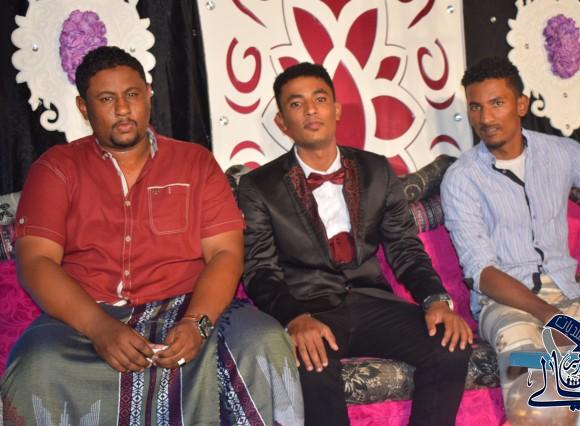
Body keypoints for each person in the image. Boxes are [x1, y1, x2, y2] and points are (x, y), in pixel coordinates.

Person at [0, 46, 303, 425]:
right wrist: (100, 328)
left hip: (187, 308)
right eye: (106, 99)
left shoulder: (195, 163)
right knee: (34, 366)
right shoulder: (56, 169)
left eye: (132, 94)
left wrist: (197, 324)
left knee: (263, 340)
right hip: (86, 317)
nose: (122, 109)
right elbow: (36, 261)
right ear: (83, 107)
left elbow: (225, 254)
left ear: (148, 95)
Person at [237, 62, 472, 426]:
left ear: (336, 109)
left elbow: (405, 248)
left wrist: (435, 299)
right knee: (311, 365)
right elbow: (260, 270)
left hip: (372, 301)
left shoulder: (376, 170)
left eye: (320, 99)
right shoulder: (259, 186)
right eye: (297, 104)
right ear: (282, 122)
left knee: (450, 344)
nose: (311, 110)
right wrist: (294, 318)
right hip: (310, 308)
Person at [440, 57, 580, 408]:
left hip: (570, 294)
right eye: (475, 107)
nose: (485, 118)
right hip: (505, 306)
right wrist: (550, 316)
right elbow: (482, 272)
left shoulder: (561, 153)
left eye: (497, 103)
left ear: (521, 105)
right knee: (533, 393)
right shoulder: (462, 178)